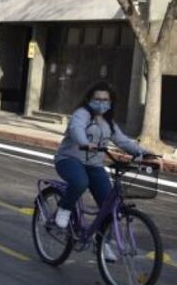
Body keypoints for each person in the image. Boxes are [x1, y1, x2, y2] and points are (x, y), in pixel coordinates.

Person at [52, 81, 155, 229]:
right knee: (80, 182)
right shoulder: (82, 114)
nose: (102, 103)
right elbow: (77, 129)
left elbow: (123, 141)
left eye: (105, 100)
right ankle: (64, 208)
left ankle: (102, 244)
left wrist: (143, 152)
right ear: (89, 100)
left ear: (111, 102)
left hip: (94, 165)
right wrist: (85, 143)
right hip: (70, 159)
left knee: (109, 206)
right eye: (97, 99)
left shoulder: (108, 122)